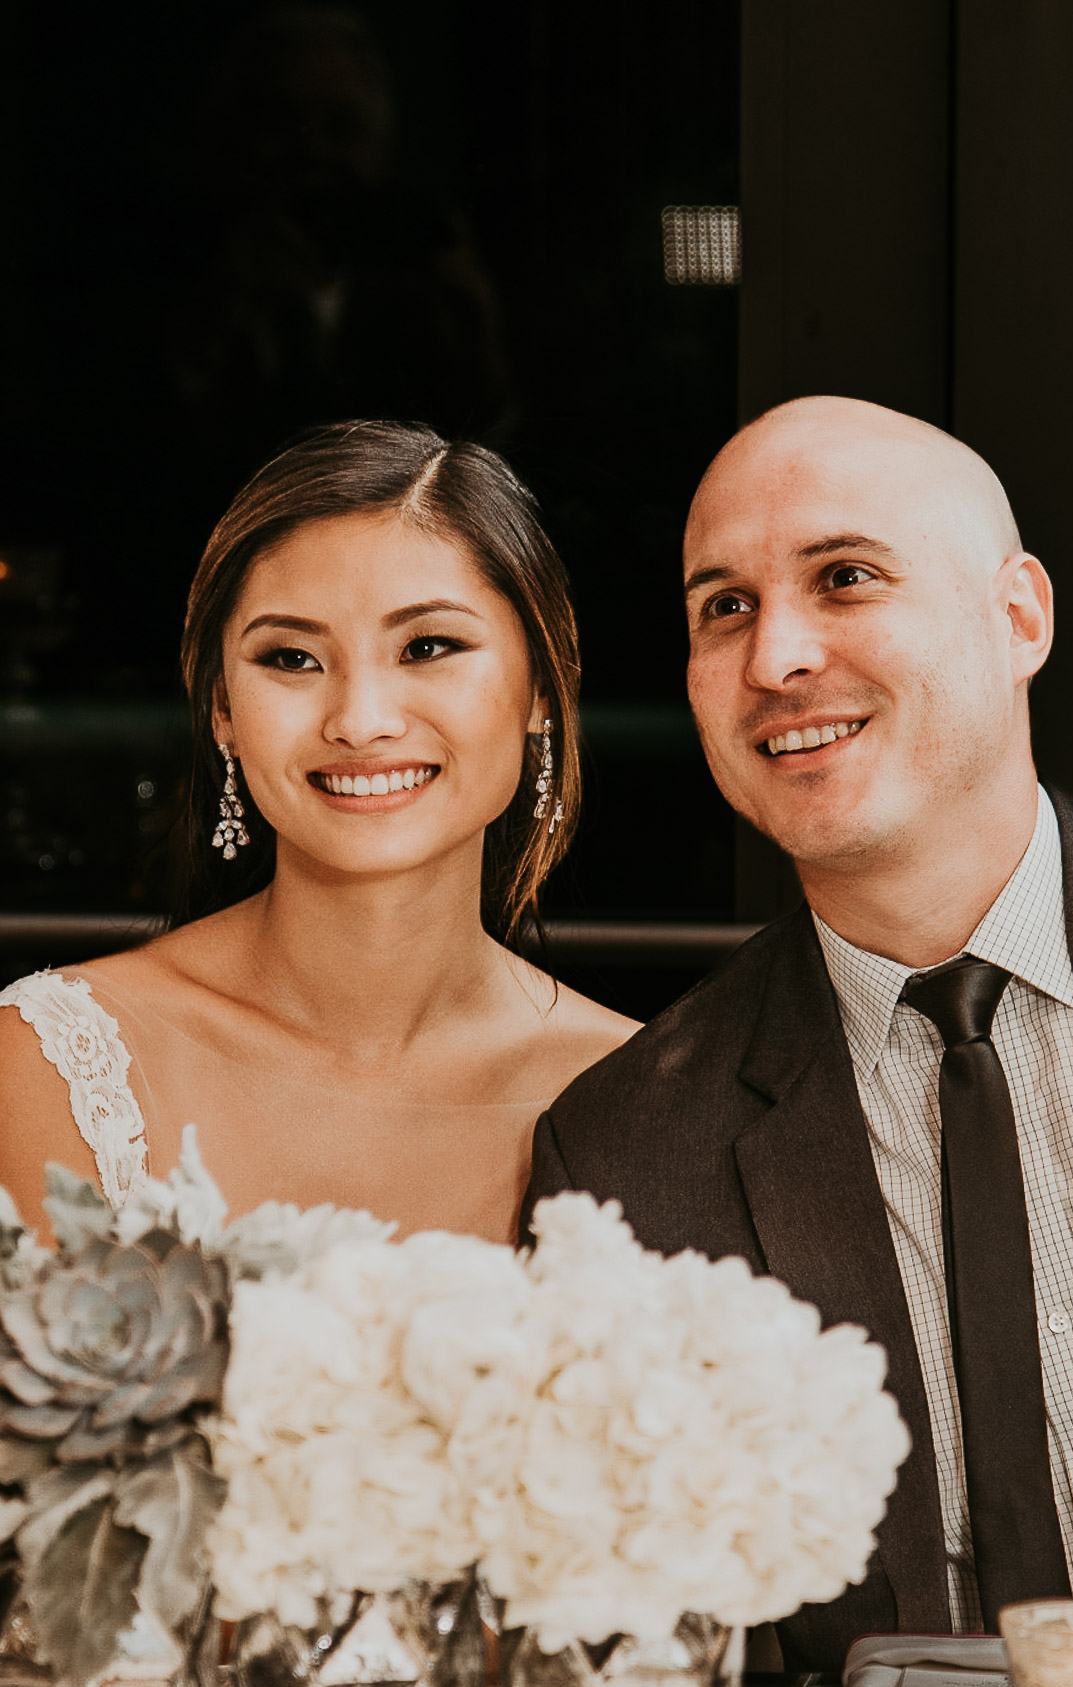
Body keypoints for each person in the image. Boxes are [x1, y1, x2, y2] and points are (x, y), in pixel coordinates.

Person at [525, 395, 1073, 1671]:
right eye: (722, 606)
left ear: (1019, 619)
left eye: (843, 579)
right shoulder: (631, 1154)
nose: (775, 656)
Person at [0, 419, 635, 1239]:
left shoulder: (641, 1092)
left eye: (429, 646)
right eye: (292, 659)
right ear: (222, 710)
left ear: (542, 689)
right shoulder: (56, 1065)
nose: (360, 722)